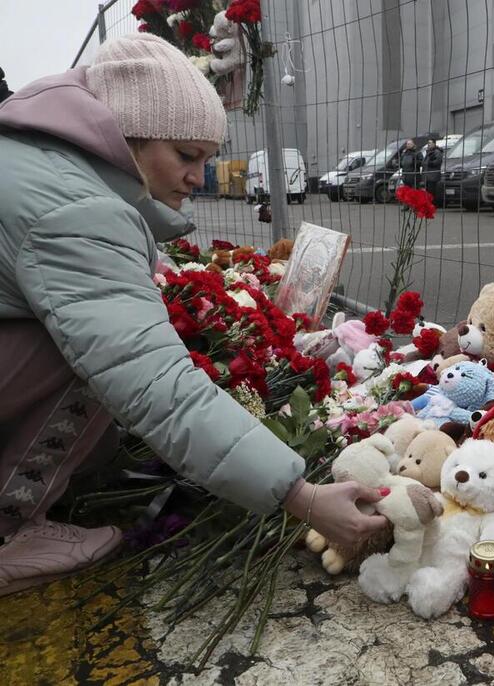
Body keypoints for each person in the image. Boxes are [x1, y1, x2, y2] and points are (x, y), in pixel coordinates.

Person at [0, 34, 387, 596]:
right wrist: (302, 498)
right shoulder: (73, 208)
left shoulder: (45, 165)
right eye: (186, 156)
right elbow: (151, 378)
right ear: (124, 137)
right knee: (87, 353)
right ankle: (9, 529)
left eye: (206, 159)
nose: (199, 178)